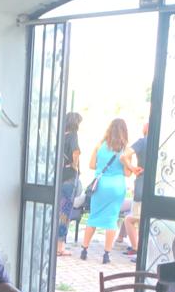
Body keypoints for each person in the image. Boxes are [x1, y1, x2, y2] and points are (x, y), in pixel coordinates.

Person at [79, 118, 143, 264]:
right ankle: (106, 254)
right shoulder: (125, 150)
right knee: (112, 220)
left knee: (93, 217)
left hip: (100, 186)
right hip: (117, 187)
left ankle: (84, 250)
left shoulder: (100, 145)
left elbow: (91, 165)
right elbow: (127, 173)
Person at [57, 112, 82, 256]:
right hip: (69, 178)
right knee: (65, 212)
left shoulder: (61, 136)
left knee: (58, 211)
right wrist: (75, 166)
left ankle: (56, 244)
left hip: (60, 176)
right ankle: (60, 246)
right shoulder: (73, 135)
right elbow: (76, 152)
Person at [123, 122, 150, 256]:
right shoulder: (162, 144)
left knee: (131, 220)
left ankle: (137, 248)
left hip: (141, 186)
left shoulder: (142, 142)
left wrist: (132, 168)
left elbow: (124, 155)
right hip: (156, 189)